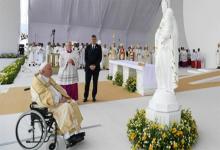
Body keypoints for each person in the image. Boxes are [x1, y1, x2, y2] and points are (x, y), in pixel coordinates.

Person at [31, 62, 84, 145]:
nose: (51, 70)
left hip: (58, 101)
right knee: (66, 107)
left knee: (73, 103)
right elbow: (44, 96)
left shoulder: (48, 77)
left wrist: (63, 97)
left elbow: (56, 87)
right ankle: (67, 136)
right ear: (43, 71)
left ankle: (75, 131)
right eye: (49, 69)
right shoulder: (37, 81)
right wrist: (59, 100)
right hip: (49, 105)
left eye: (51, 68)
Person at [84, 35, 102, 102]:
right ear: (90, 40)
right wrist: (89, 65)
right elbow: (85, 58)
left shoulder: (99, 47)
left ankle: (94, 96)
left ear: (96, 40)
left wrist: (95, 65)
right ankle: (85, 97)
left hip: (96, 68)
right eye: (92, 39)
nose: (93, 40)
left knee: (95, 83)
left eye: (94, 39)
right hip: (88, 68)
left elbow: (100, 58)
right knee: (87, 83)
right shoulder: (87, 47)